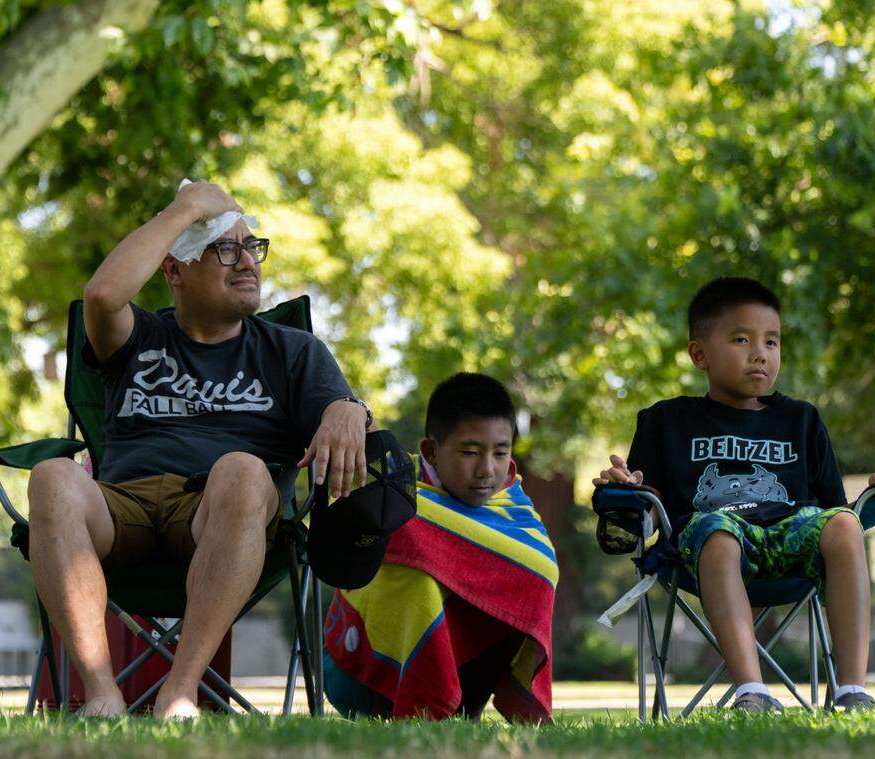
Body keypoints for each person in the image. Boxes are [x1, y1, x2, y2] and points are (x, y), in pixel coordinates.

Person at [27, 180, 372, 719]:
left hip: (219, 514)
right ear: (174, 271)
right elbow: (101, 295)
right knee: (51, 475)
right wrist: (185, 209)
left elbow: (338, 410)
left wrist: (349, 408)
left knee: (241, 469)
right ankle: (101, 694)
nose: (247, 264)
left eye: (252, 247)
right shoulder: (136, 338)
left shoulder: (291, 351)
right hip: (121, 512)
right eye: (225, 249)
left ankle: (181, 692)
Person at [594, 277, 875, 713]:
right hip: (706, 545)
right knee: (718, 533)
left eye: (772, 341)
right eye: (742, 339)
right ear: (699, 354)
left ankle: (852, 690)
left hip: (791, 537)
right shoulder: (667, 420)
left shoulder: (802, 420)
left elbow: (835, 509)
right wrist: (625, 488)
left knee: (844, 524)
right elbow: (646, 513)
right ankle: (753, 691)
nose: (760, 353)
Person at [323, 372, 558, 721]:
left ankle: (465, 711)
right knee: (418, 581)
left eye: (500, 453)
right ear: (430, 451)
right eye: (469, 452)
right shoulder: (394, 494)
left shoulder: (514, 507)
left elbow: (540, 570)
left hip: (467, 683)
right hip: (358, 671)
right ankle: (421, 707)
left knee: (527, 576)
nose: (486, 470)